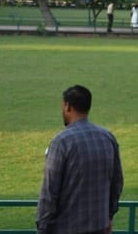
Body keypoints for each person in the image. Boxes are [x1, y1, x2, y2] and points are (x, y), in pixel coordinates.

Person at [37, 85, 123, 234]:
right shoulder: (107, 137)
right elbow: (117, 183)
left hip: (66, 229)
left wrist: (42, 228)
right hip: (99, 227)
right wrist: (109, 216)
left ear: (68, 106)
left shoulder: (61, 142)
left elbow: (49, 192)